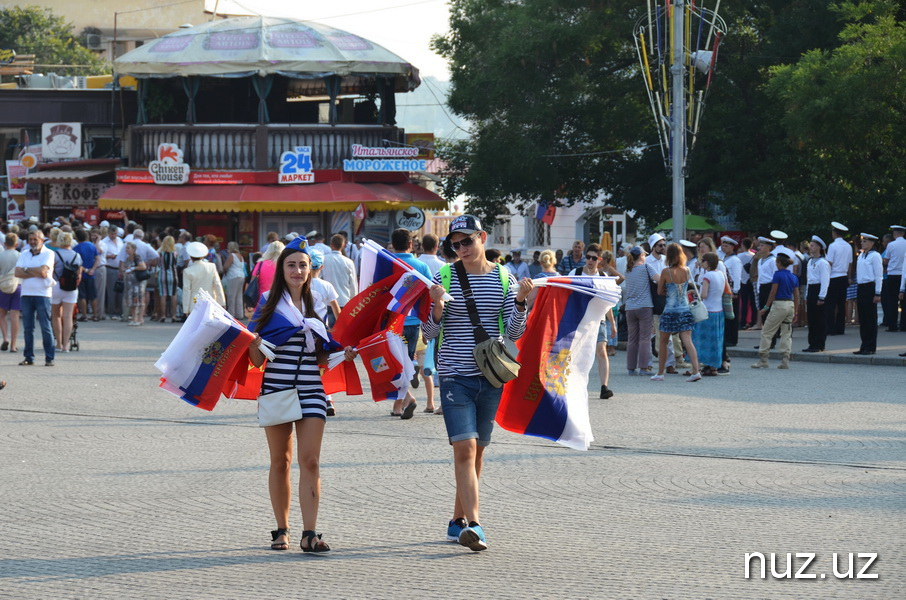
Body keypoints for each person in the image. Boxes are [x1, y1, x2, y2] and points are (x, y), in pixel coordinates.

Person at [423, 214, 532, 552]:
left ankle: (456, 522)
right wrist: (437, 308)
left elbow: (514, 332)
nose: (461, 249)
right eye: (454, 245)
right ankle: (475, 525)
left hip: (491, 375)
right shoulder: (443, 276)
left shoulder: (503, 276)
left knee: (478, 451)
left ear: (482, 237)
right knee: (465, 449)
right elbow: (428, 334)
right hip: (455, 374)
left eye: (466, 241)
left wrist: (520, 303)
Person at [247, 237, 355, 553]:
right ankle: (282, 529)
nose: (297, 270)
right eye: (291, 265)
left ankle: (311, 534)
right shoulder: (268, 304)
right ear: (282, 269)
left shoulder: (315, 307)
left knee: (310, 461)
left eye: (303, 265)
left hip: (311, 390)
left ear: (311, 270)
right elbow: (255, 361)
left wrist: (340, 355)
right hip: (276, 389)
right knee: (280, 461)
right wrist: (253, 343)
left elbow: (320, 357)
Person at [389, 228, 432, 419]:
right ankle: (399, 406)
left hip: (392, 321)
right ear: (410, 244)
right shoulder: (420, 266)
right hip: (413, 321)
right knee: (405, 362)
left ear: (392, 244)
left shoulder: (389, 264)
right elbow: (430, 294)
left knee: (394, 363)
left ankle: (406, 398)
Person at [651, 243, 701, 382]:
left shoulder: (666, 272)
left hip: (670, 310)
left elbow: (659, 291)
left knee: (664, 341)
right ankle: (696, 371)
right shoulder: (686, 270)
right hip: (684, 309)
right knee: (687, 340)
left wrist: (669, 291)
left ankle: (660, 373)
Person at [580, 244, 619, 398]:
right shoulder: (576, 273)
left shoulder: (603, 277)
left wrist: (613, 324)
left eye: (593, 258)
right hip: (580, 320)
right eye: (588, 257)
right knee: (579, 354)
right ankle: (576, 385)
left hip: (599, 320)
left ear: (599, 260)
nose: (590, 260)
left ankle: (604, 387)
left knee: (602, 352)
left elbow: (607, 303)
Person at [751, 248, 799, 369]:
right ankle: (785, 358)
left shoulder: (777, 275)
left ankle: (763, 358)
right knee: (786, 333)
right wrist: (796, 311)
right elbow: (797, 295)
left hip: (779, 305)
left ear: (778, 263)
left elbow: (773, 292)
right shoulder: (793, 276)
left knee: (767, 332)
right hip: (790, 304)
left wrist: (766, 307)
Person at [15, 230, 56, 366]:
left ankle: (49, 358)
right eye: (30, 239)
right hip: (26, 294)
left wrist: (26, 269)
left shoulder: (49, 253)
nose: (32, 242)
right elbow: (17, 272)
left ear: (42, 240)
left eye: (35, 239)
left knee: (45, 327)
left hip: (42, 294)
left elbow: (43, 272)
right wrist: (35, 270)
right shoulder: (24, 253)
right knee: (28, 328)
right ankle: (28, 357)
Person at [622, 246, 657, 376]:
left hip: (630, 307)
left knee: (632, 338)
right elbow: (659, 279)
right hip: (645, 306)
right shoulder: (647, 268)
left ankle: (631, 368)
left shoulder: (628, 270)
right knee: (645, 338)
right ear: (642, 255)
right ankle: (644, 367)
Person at [691, 253, 726, 376]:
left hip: (707, 311)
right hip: (719, 311)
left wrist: (694, 293)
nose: (702, 263)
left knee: (702, 340)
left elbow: (704, 295)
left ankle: (701, 365)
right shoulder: (721, 274)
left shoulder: (707, 276)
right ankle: (713, 367)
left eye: (703, 261)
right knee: (716, 340)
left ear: (708, 262)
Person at [50, 232, 82, 349]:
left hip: (57, 286)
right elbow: (79, 274)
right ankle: (66, 345)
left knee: (56, 316)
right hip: (71, 288)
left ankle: (58, 343)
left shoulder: (55, 255)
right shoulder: (76, 255)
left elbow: (51, 271)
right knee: (68, 316)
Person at [853, 233, 883, 355]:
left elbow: (879, 275)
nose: (862, 243)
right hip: (861, 287)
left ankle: (871, 346)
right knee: (863, 318)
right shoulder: (861, 255)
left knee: (870, 318)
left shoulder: (875, 256)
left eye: (865, 241)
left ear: (872, 243)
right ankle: (864, 345)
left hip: (870, 287)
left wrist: (878, 293)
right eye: (862, 241)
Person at [182, 241, 225, 317]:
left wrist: (186, 309)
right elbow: (217, 285)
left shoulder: (187, 271)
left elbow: (186, 290)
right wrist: (222, 303)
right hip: (210, 302)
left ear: (191, 257)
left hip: (194, 303)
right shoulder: (211, 267)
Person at [803, 236, 830, 352]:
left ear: (819, 247)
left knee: (820, 319)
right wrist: (807, 294)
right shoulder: (809, 261)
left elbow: (825, 281)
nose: (810, 247)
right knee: (812, 319)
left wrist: (822, 296)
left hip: (819, 290)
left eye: (813, 245)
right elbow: (809, 279)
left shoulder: (823, 263)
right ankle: (812, 343)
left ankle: (820, 344)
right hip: (812, 290)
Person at [825, 222, 852, 335]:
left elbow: (829, 263)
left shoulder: (832, 246)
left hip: (834, 277)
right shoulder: (848, 246)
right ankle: (840, 328)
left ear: (834, 233)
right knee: (841, 304)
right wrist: (849, 277)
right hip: (844, 277)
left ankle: (830, 328)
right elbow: (850, 264)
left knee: (830, 304)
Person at [320, 234, 358, 310]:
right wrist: (354, 301)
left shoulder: (323, 260)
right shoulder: (349, 262)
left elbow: (319, 278)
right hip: (344, 300)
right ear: (343, 245)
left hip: (327, 301)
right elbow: (353, 284)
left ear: (331, 245)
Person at [882, 225, 906, 331]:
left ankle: (892, 325)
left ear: (895, 234)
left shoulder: (891, 245)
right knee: (904, 301)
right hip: (904, 274)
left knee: (892, 301)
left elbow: (886, 260)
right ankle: (904, 325)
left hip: (893, 275)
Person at [0, 233, 21, 352]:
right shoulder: (20, 255)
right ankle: (13, 345)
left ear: (5, 243)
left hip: (3, 286)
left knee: (2, 315)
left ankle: (5, 338)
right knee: (15, 316)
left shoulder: (1, 255)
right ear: (16, 244)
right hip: (18, 285)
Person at [73, 229, 99, 322]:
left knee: (82, 296)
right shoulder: (92, 246)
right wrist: (93, 269)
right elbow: (97, 258)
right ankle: (95, 315)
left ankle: (84, 315)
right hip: (91, 274)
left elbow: (76, 263)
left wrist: (86, 270)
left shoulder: (76, 248)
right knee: (93, 295)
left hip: (82, 274)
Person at [119, 242, 147, 326]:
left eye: (128, 248)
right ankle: (134, 318)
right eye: (126, 248)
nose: (126, 250)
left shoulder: (137, 257)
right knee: (131, 302)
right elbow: (123, 267)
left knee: (139, 300)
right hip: (129, 283)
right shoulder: (127, 258)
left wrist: (132, 268)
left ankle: (140, 318)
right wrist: (124, 269)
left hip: (137, 283)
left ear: (133, 249)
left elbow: (143, 266)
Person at [99, 225, 124, 320]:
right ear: (108, 232)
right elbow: (100, 256)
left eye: (115, 233)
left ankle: (120, 311)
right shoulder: (104, 242)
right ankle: (112, 311)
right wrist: (109, 256)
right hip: (110, 267)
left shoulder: (120, 241)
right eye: (112, 233)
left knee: (120, 290)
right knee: (111, 291)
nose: (114, 235)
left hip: (120, 268)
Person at [157, 235, 179, 323]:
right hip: (173, 275)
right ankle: (174, 315)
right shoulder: (175, 253)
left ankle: (163, 315)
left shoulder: (160, 253)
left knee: (163, 295)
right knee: (173, 295)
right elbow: (176, 264)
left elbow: (158, 264)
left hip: (162, 275)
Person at [221, 241, 246, 320]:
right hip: (241, 275)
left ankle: (231, 314)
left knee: (231, 295)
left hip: (233, 276)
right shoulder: (240, 256)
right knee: (239, 296)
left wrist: (224, 272)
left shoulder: (231, 255)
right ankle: (239, 314)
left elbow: (225, 267)